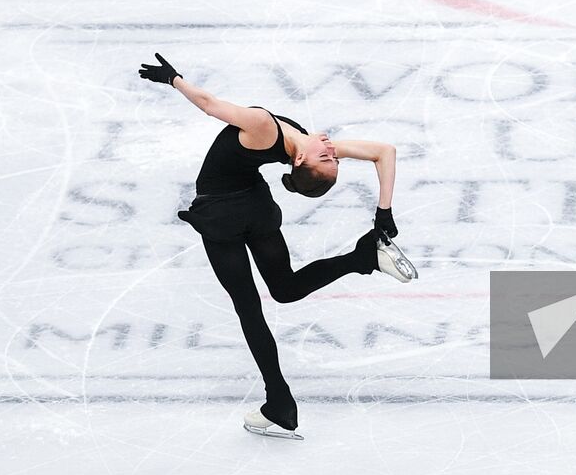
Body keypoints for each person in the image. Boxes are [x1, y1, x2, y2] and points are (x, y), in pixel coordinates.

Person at [138, 53, 416, 440]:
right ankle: (362, 258)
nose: (332, 149)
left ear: (300, 160)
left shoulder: (264, 127)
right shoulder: (302, 146)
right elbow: (383, 151)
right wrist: (383, 212)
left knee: (248, 307)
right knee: (284, 289)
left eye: (329, 157)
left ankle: (280, 402)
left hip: (221, 214)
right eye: (333, 156)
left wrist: (174, 79)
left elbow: (209, 105)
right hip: (255, 206)